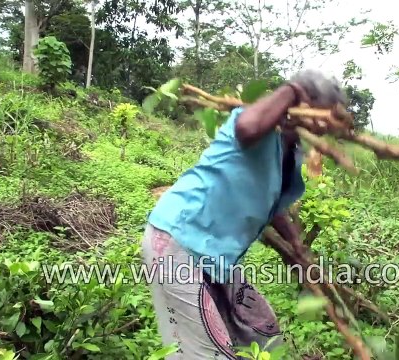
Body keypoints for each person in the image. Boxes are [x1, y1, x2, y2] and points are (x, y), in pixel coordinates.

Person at [141, 69, 347, 359]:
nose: (322, 128)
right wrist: (293, 89)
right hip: (179, 239)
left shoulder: (289, 149)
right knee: (203, 352)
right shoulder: (257, 122)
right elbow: (246, 128)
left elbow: (272, 205)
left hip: (215, 254)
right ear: (301, 103)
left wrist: (296, 246)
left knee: (260, 332)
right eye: (322, 115)